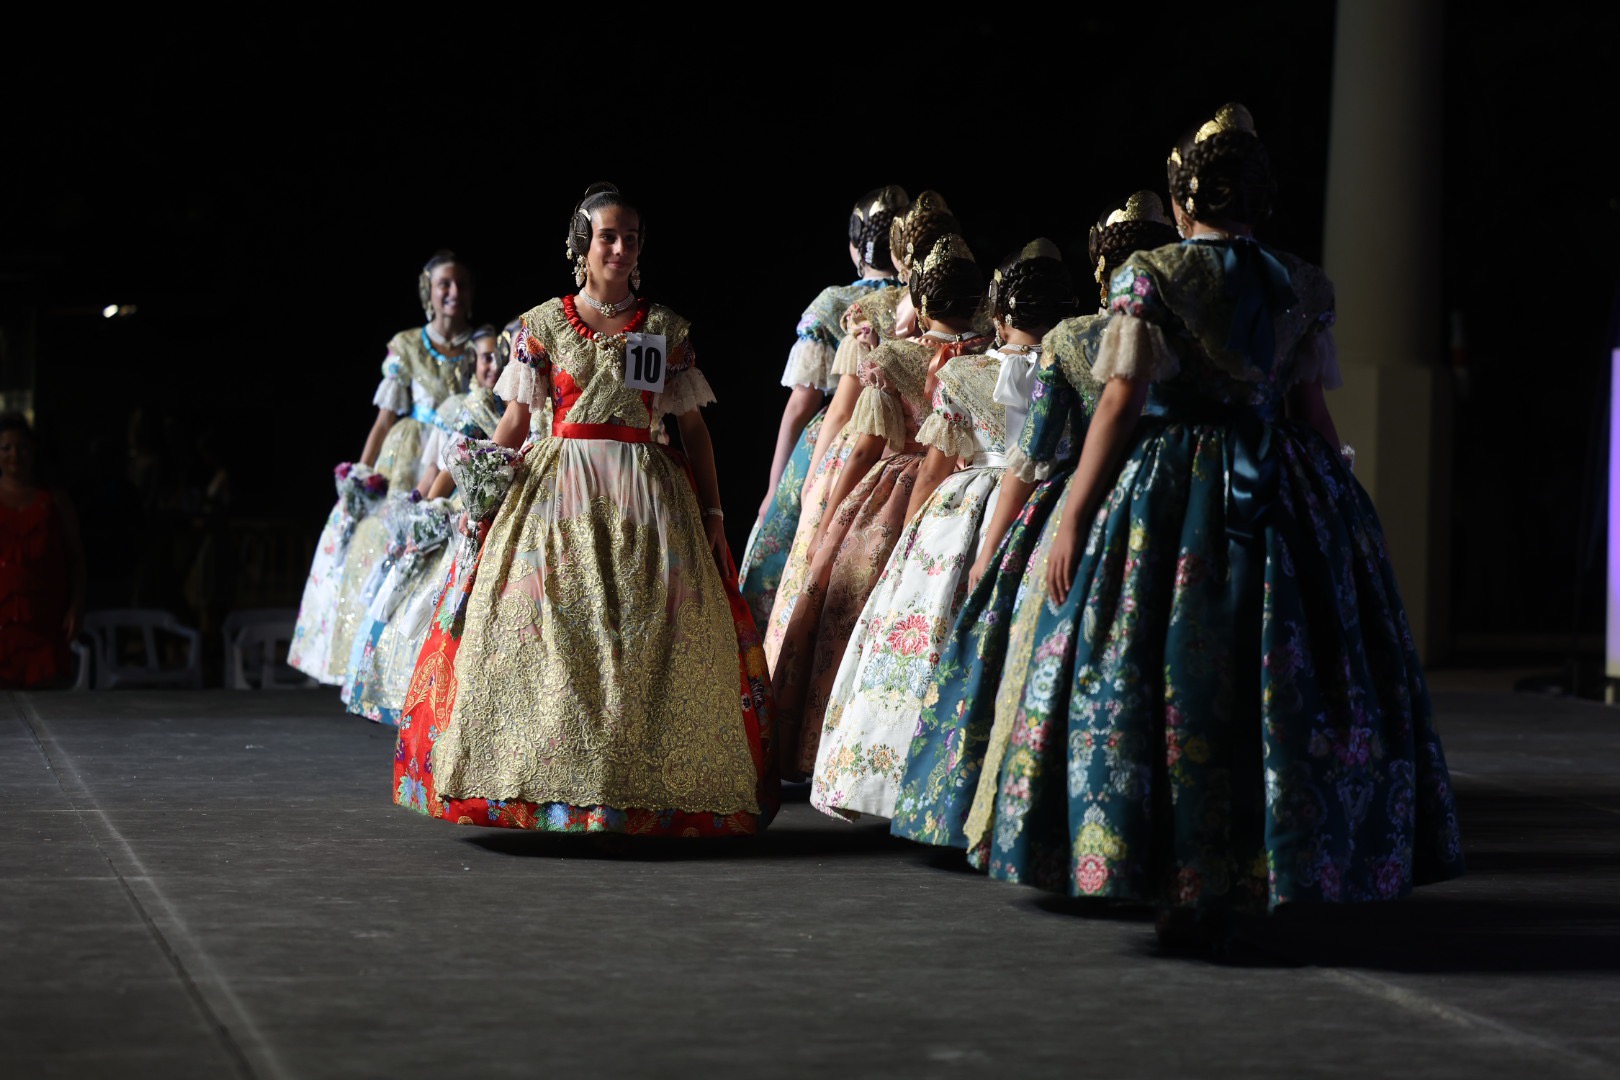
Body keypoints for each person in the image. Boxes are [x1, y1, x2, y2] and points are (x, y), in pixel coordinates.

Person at [983, 106, 1464, 943]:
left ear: (1181, 201)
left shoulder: (1153, 274)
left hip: (1173, 487)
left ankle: (1165, 862)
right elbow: (1311, 412)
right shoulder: (1300, 282)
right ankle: (1289, 861)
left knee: (1164, 664)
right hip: (1285, 485)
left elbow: (1122, 402)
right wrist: (1346, 508)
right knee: (1280, 665)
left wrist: (1074, 513)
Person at [394, 183, 774, 836]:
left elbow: (693, 431)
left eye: (631, 238)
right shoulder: (542, 325)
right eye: (608, 237)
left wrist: (713, 516)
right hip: (557, 498)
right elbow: (515, 423)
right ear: (582, 244)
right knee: (555, 635)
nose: (621, 248)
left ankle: (640, 796)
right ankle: (549, 793)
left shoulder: (664, 329)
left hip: (645, 502)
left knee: (641, 643)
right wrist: (467, 489)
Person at [891, 195, 1178, 855]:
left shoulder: (1074, 343)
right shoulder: (1190, 337)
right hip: (1181, 505)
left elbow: (1034, 451)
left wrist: (992, 553)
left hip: (1081, 502)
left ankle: (1046, 816)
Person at [812, 239, 1075, 822]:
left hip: (966, 508)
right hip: (1052, 505)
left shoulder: (964, 373)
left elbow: (934, 469)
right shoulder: (1074, 374)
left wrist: (908, 546)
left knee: (929, 632)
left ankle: (911, 779)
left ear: (999, 316)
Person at [772, 233, 993, 782]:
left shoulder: (893, 358)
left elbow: (865, 447)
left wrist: (828, 518)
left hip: (895, 493)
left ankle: (836, 748)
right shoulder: (990, 358)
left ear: (920, 300)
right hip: (969, 492)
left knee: (852, 611)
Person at [763, 193, 961, 670]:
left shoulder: (861, 308)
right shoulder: (963, 314)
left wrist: (801, 485)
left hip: (867, 448)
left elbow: (833, 411)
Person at [289, 253, 475, 682]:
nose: (453, 292)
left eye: (461, 284)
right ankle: (370, 665)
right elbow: (384, 419)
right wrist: (362, 472)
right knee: (383, 549)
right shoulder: (407, 344)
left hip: (454, 455)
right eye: (444, 284)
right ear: (428, 291)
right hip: (408, 456)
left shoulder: (481, 347)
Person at [739, 187, 908, 629]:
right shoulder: (920, 302)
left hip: (839, 440)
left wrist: (776, 488)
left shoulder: (836, 303)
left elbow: (802, 403)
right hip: (906, 442)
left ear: (856, 244)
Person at [343, 324, 508, 724]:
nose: (493, 365)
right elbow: (442, 467)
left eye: (500, 357)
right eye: (485, 357)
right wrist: (429, 506)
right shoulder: (464, 409)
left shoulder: (518, 405)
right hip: (467, 503)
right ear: (473, 364)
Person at [0, 414, 86, 689]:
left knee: (47, 703)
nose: (14, 455)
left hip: (45, 620)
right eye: (6, 448)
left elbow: (76, 558)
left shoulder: (55, 500)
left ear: (34, 450)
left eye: (22, 447)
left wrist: (76, 606)